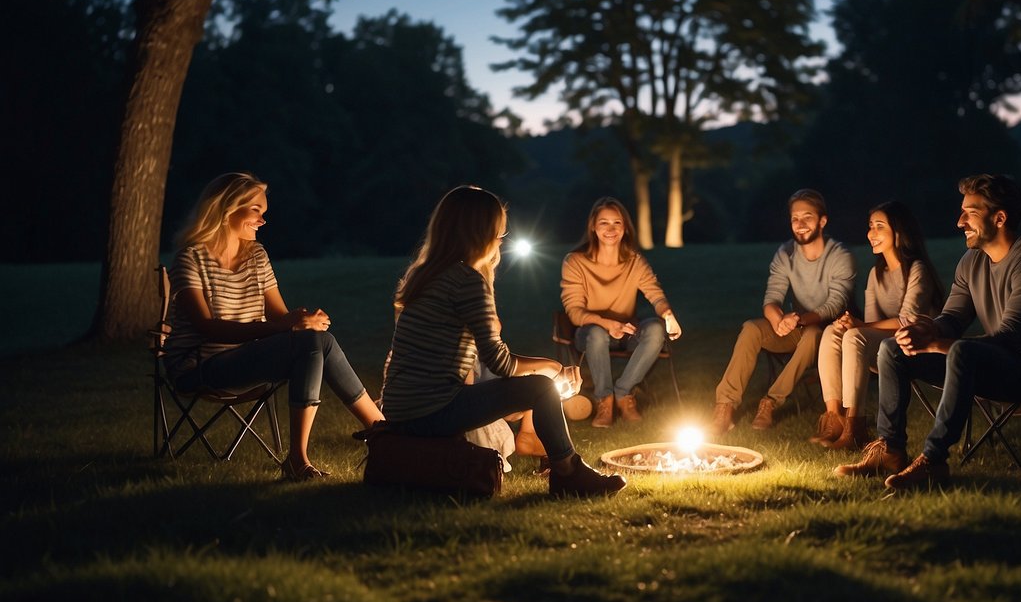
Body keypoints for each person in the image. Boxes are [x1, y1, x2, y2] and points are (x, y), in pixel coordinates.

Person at [379, 185, 626, 497]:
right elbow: (500, 362)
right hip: (432, 411)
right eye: (498, 234)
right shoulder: (466, 280)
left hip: (400, 409)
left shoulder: (424, 275)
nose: (500, 242)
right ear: (481, 233)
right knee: (540, 388)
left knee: (533, 385)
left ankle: (561, 463)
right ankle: (568, 473)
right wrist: (549, 367)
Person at [834, 174, 1021, 490]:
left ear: (999, 218)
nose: (960, 221)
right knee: (893, 349)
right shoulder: (971, 262)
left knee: (961, 350)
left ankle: (933, 460)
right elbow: (952, 319)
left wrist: (938, 343)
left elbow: (1012, 338)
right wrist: (925, 328)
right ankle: (890, 450)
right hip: (990, 365)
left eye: (970, 212)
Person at [163, 172, 385, 480]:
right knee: (309, 341)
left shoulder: (256, 255)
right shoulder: (191, 259)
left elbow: (280, 317)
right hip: (200, 366)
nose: (262, 220)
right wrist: (284, 328)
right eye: (256, 210)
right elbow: (208, 327)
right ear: (227, 208)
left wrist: (303, 320)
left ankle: (382, 431)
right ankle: (304, 458)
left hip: (247, 358)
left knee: (321, 339)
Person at [710, 189, 856, 435]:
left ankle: (770, 402)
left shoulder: (840, 256)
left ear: (822, 221)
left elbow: (834, 305)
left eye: (807, 217)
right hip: (795, 328)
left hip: (832, 333)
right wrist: (778, 320)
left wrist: (796, 320)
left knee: (811, 335)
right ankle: (725, 405)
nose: (799, 225)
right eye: (794, 218)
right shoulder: (785, 253)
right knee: (751, 328)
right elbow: (772, 298)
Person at [812, 201, 944, 450]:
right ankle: (835, 419)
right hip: (884, 347)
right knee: (832, 331)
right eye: (870, 226)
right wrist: (851, 325)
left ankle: (855, 427)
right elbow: (870, 324)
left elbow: (908, 321)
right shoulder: (876, 274)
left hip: (917, 348)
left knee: (854, 336)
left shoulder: (917, 269)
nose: (871, 233)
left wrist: (860, 326)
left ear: (898, 231)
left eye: (879, 226)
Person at [560, 197, 683, 427]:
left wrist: (667, 314)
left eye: (617, 223)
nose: (610, 229)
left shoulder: (634, 261)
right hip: (589, 334)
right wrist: (607, 324)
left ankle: (624, 393)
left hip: (627, 332)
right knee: (597, 334)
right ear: (593, 227)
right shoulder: (576, 262)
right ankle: (604, 399)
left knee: (656, 328)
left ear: (625, 228)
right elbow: (574, 311)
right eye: (604, 223)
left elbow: (654, 293)